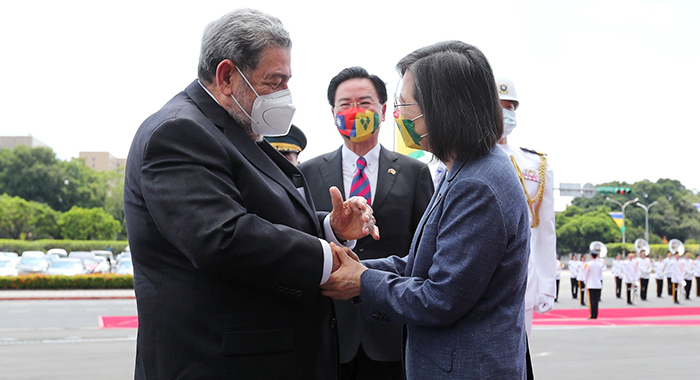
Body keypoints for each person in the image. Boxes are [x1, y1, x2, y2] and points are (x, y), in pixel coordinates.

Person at [123, 9, 379, 379]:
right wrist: (328, 257)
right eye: (273, 82)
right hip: (217, 364)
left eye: (287, 81)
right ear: (227, 76)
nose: (284, 95)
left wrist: (329, 227)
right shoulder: (179, 131)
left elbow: (262, 212)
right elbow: (221, 236)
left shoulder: (234, 130)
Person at [321, 40, 531, 379]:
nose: (400, 116)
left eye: (406, 105)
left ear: (441, 108)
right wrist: (357, 266)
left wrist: (363, 282)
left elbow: (441, 298)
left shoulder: (477, 184)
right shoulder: (463, 169)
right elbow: (424, 261)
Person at [299, 66, 434, 380]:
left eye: (364, 102)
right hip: (328, 330)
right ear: (333, 113)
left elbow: (424, 251)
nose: (354, 111)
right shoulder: (307, 172)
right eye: (345, 105)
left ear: (384, 110)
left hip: (391, 327)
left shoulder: (415, 173)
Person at [495, 76, 557, 335]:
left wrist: (546, 283)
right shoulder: (454, 161)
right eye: (499, 106)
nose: (506, 113)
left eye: (511, 107)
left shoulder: (534, 165)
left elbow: (544, 230)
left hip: (523, 278)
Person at [583, 251, 605, 319]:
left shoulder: (588, 264)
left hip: (591, 284)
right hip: (598, 283)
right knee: (596, 300)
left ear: (591, 256)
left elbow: (585, 274)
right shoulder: (600, 264)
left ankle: (592, 314)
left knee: (592, 300)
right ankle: (595, 314)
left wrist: (585, 283)